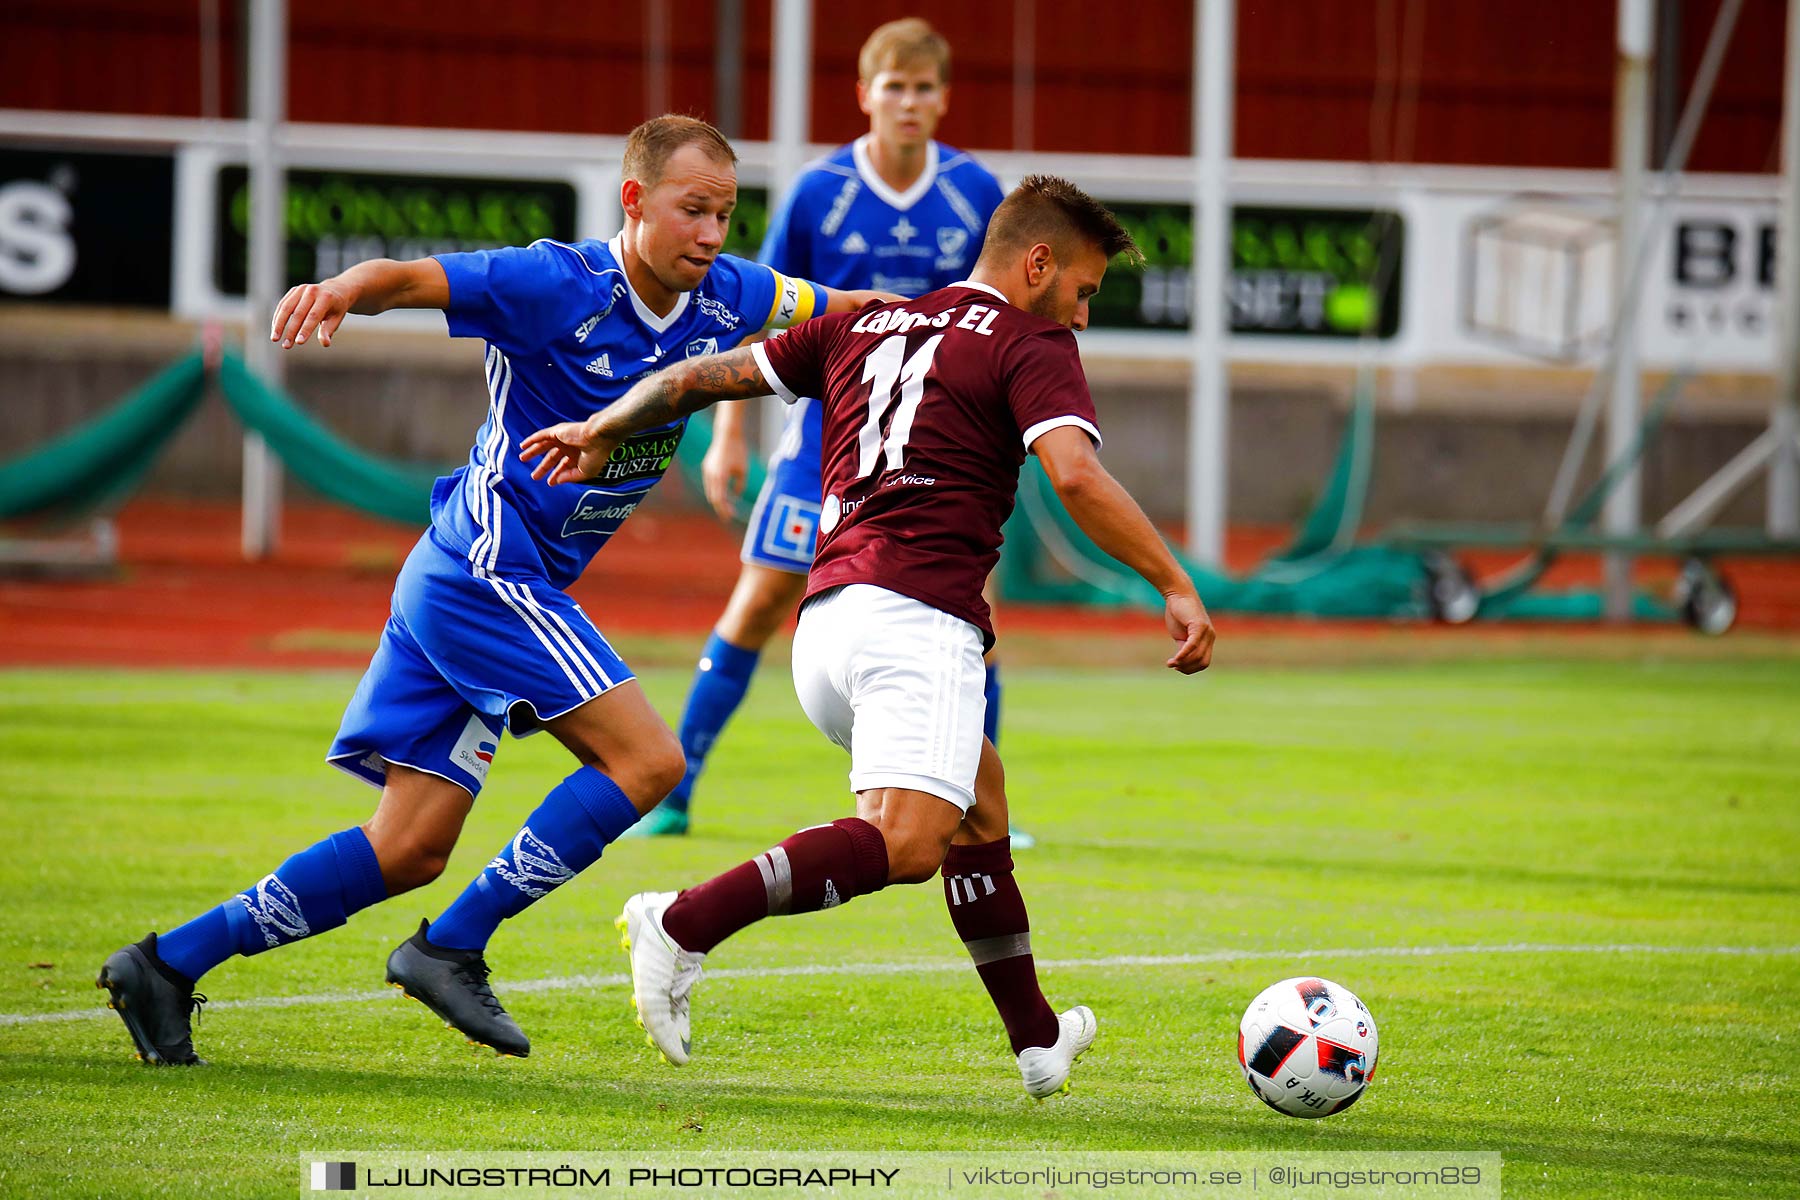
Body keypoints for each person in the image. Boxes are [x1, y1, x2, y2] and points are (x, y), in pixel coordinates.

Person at [94, 115, 890, 1067]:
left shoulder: (729, 296)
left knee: (408, 847)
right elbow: (416, 278)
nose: (713, 233)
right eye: (692, 211)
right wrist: (343, 288)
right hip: (485, 572)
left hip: (474, 578)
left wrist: (961, 326)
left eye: (724, 213)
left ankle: (165, 966)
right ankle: (451, 946)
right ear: (634, 202)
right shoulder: (554, 282)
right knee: (647, 763)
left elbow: (854, 310)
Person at [521, 175, 1215, 1097]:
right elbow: (1077, 479)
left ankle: (1038, 1039)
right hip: (915, 624)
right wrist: (1173, 583)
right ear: (1036, 263)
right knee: (908, 844)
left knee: (981, 805)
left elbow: (701, 377)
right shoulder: (1028, 339)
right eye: (1083, 290)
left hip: (828, 624)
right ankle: (681, 923)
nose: (1082, 316)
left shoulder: (869, 322)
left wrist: (601, 425)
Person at [633, 17, 1013, 840]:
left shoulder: (976, 192)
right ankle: (677, 787)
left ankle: (980, 808)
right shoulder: (820, 191)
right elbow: (755, 302)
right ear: (865, 95)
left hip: (934, 442)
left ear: (943, 100)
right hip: (822, 441)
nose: (908, 102)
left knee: (969, 613)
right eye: (894, 86)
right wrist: (731, 435)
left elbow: (996, 314)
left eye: (923, 88)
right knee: (762, 598)